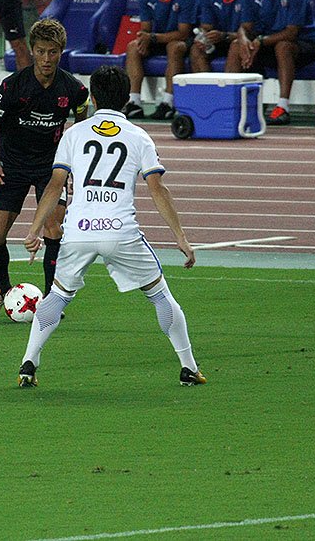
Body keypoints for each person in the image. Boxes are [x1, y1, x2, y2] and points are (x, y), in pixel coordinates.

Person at [16, 64, 204, 389]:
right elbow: (158, 189)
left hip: (78, 230)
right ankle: (188, 367)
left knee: (58, 295)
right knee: (159, 295)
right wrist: (181, 237)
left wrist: (34, 229)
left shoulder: (74, 134)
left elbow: (54, 185)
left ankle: (28, 362)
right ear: (127, 98)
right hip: (120, 231)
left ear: (91, 97)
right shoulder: (138, 136)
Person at [0, 18, 89, 316]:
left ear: (61, 51)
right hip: (12, 168)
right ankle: (3, 288)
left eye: (52, 52)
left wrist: (74, 169)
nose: (46, 58)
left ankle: (53, 298)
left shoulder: (75, 89)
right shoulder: (12, 86)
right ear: (32, 51)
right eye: (40, 51)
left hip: (50, 170)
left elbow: (81, 129)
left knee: (54, 228)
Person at [226, 0, 315, 125]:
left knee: (283, 46)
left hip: (304, 44)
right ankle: (229, 105)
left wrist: (260, 42)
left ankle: (282, 107)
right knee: (236, 45)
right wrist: (244, 39)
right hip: (267, 42)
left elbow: (292, 33)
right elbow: (245, 27)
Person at [123, 0, 199, 121]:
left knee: (174, 47)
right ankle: (134, 102)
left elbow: (184, 32)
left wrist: (152, 38)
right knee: (133, 47)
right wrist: (144, 39)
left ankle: (168, 103)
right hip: (157, 38)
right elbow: (145, 28)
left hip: (183, 41)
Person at [185, 0, 252, 75]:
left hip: (242, 41)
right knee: (196, 50)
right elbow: (206, 26)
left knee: (236, 46)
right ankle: (207, 88)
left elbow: (251, 32)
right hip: (219, 42)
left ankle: (227, 87)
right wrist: (204, 38)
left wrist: (224, 36)